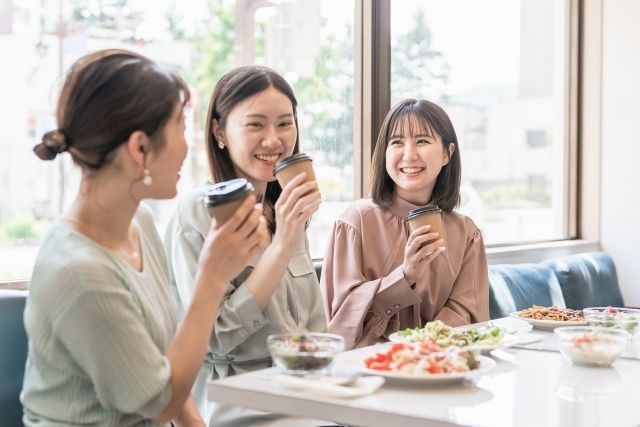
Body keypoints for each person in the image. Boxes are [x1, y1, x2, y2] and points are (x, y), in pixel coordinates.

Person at [22, 49, 269, 426]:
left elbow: (168, 361)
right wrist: (213, 278)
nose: (188, 146)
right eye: (180, 128)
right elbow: (160, 401)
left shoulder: (140, 222)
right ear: (140, 148)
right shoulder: (80, 272)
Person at [165, 65, 327, 426]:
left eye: (285, 123)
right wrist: (282, 244)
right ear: (220, 131)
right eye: (256, 125)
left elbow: (314, 326)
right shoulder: (199, 212)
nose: (274, 140)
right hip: (237, 402)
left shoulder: (284, 207)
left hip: (306, 391)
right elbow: (216, 338)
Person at [321, 98, 489, 350]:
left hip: (441, 368)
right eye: (397, 142)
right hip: (369, 371)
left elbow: (467, 313)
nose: (409, 155)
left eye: (422, 141)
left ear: (447, 153)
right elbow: (340, 322)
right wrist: (405, 276)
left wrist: (423, 347)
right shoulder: (355, 222)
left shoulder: (466, 233)